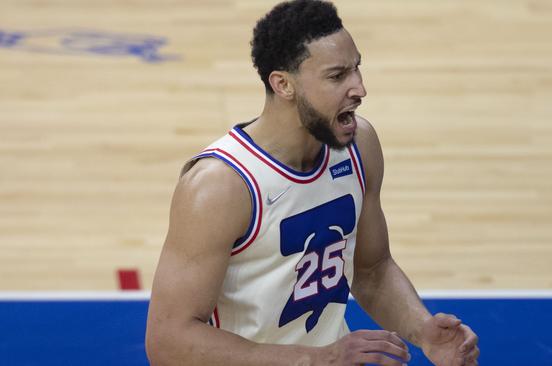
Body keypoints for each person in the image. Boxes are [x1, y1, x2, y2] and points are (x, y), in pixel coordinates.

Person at [145, 0, 479, 365]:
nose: (360, 89)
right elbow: (169, 341)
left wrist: (422, 328)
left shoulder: (358, 147)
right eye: (338, 76)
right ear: (283, 84)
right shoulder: (220, 186)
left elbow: (372, 269)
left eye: (357, 69)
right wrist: (318, 359)